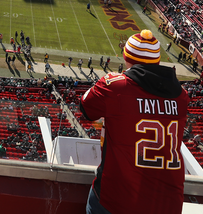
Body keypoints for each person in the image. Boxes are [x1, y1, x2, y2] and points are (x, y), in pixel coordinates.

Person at [80, 29, 190, 214]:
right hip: (167, 203)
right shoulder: (181, 96)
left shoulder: (115, 86)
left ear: (126, 56)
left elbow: (86, 108)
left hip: (118, 199)